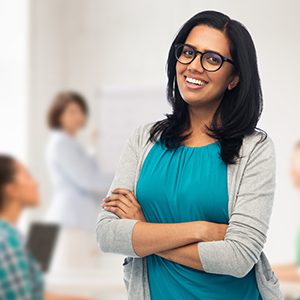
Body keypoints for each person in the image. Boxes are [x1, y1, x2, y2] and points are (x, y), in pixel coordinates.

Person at [96, 10, 283, 300]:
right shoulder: (144, 140)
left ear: (234, 78)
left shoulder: (254, 149)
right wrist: (202, 229)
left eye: (212, 59)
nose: (194, 66)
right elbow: (108, 234)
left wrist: (144, 232)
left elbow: (238, 257)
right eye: (188, 52)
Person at [0, 154, 93, 300]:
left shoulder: (12, 237)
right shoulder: (8, 242)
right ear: (11, 189)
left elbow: (35, 294)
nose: (36, 183)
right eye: (27, 176)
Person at [46, 91, 112, 231]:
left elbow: (88, 170)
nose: (78, 116)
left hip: (74, 218)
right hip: (69, 219)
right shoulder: (61, 143)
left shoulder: (69, 142)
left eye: (81, 112)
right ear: (59, 115)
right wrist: (122, 179)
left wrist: (94, 145)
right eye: (72, 112)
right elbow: (88, 179)